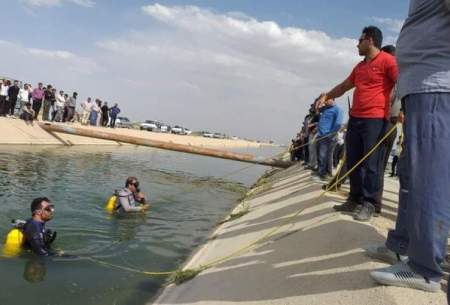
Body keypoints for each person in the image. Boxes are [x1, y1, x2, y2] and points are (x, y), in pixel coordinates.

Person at [368, 0, 450, 295]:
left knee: (430, 179)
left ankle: (424, 267)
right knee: (413, 175)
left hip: (436, 86)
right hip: (423, 86)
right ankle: (403, 246)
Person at [317, 26, 398, 221]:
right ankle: (354, 198)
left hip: (376, 119)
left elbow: (401, 83)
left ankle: (370, 204)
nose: (357, 44)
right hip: (356, 119)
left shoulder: (388, 61)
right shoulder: (360, 67)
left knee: (371, 164)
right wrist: (327, 95)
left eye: (360, 40)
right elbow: (345, 86)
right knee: (352, 159)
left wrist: (400, 110)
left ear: (370, 40)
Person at [315, 98, 343, 181]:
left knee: (324, 155)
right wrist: (321, 99)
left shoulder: (338, 109)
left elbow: (338, 124)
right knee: (321, 155)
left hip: (328, 136)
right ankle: (322, 172)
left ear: (333, 99)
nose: (325, 102)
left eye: (327, 100)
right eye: (325, 100)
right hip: (321, 135)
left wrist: (331, 134)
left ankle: (323, 174)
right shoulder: (326, 108)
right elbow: (316, 109)